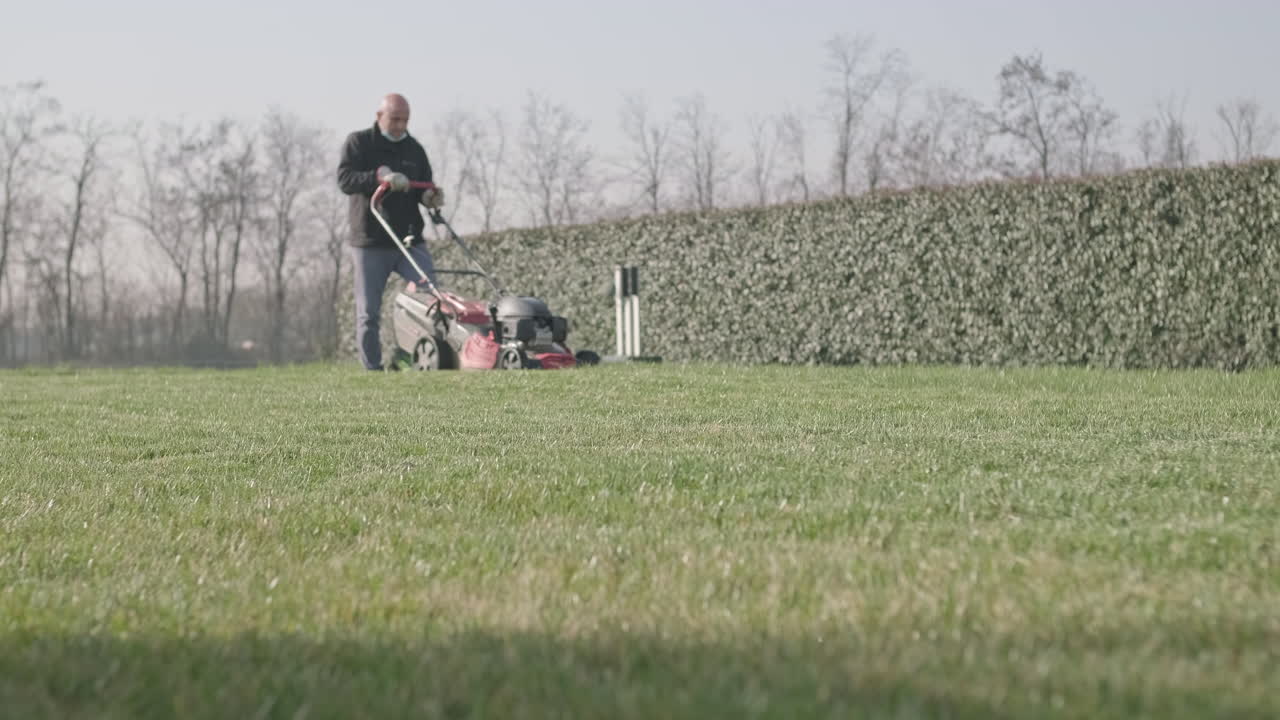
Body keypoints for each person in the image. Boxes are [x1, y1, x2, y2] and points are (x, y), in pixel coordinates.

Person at [337, 93, 446, 370]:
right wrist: (378, 178)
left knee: (432, 299)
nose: (400, 125)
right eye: (395, 119)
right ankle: (372, 369)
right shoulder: (359, 143)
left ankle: (418, 358)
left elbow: (424, 184)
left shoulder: (414, 149)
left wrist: (429, 197)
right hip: (371, 241)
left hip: (409, 239)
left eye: (405, 120)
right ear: (379, 116)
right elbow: (345, 180)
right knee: (369, 313)